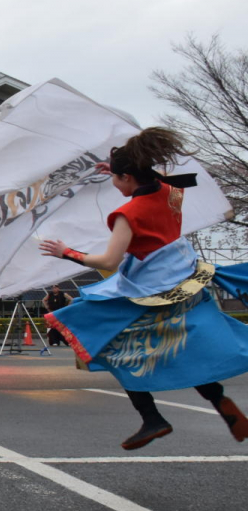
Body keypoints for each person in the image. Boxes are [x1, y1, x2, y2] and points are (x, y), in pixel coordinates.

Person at [40, 127, 248, 450]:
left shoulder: (128, 214)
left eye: (116, 178)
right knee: (183, 346)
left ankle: (152, 418)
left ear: (127, 178)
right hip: (184, 277)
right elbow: (156, 180)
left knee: (116, 347)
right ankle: (222, 404)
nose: (114, 184)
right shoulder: (170, 191)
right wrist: (118, 170)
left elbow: (109, 259)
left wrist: (65, 252)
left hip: (151, 290)